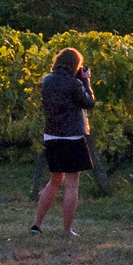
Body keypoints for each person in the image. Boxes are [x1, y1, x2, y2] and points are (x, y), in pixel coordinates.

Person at [31, 47, 95, 238]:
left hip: (51, 135)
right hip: (72, 136)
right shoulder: (74, 83)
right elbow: (88, 103)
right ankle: (66, 230)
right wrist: (86, 81)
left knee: (54, 180)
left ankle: (36, 224)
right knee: (72, 184)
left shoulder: (46, 81)